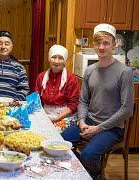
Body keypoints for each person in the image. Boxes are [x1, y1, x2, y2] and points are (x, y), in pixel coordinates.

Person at [61, 24, 134, 179]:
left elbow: (127, 109)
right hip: (88, 121)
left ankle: (95, 175)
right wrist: (81, 121)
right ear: (93, 45)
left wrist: (99, 128)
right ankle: (77, 173)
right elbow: (83, 101)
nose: (101, 47)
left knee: (88, 155)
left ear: (114, 44)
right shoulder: (90, 71)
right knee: (61, 142)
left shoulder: (124, 72)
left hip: (112, 128)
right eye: (98, 43)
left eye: (106, 43)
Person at [34, 45, 80, 131]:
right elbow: (37, 100)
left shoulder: (71, 79)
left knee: (54, 132)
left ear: (65, 61)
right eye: (54, 57)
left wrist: (57, 118)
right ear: (49, 59)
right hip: (45, 114)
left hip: (65, 116)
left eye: (60, 58)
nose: (56, 61)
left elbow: (73, 104)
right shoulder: (41, 77)